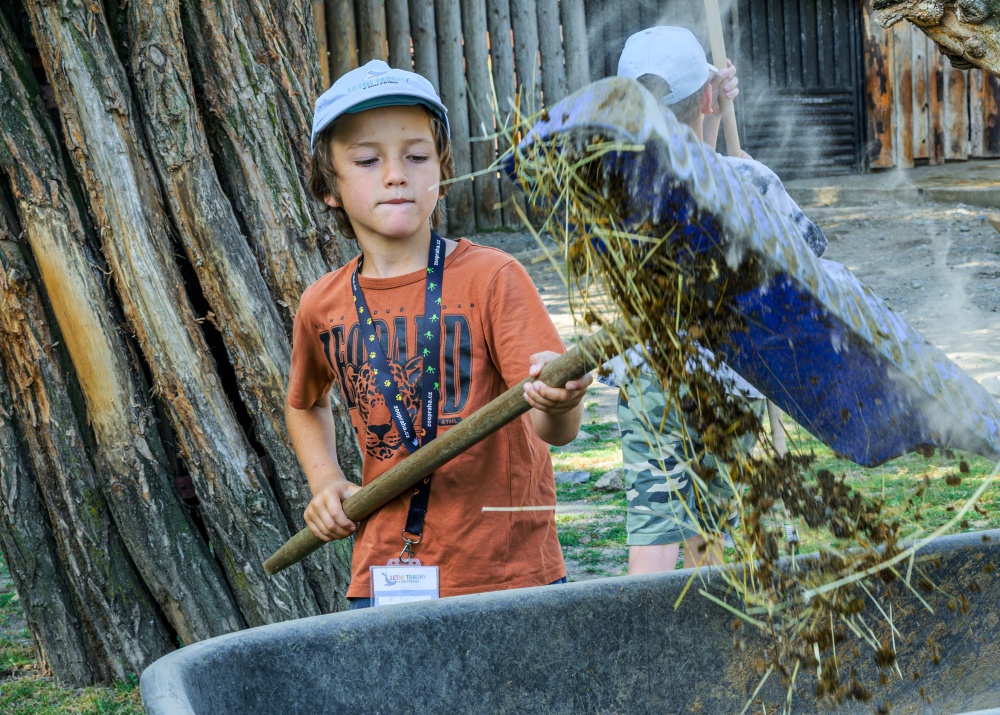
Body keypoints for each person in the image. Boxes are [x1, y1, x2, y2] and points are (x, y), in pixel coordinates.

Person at [286, 60, 592, 609]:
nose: (395, 174)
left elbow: (556, 430)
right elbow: (305, 403)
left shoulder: (492, 278)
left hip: (507, 578)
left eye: (416, 156)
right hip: (383, 578)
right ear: (328, 186)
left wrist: (562, 400)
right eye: (367, 160)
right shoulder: (321, 305)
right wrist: (325, 480)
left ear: (442, 171)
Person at [608, 26, 828, 575]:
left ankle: (644, 629)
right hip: (732, 377)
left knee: (655, 525)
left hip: (649, 377)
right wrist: (746, 173)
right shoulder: (748, 181)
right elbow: (808, 262)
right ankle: (716, 622)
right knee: (711, 524)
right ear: (709, 100)